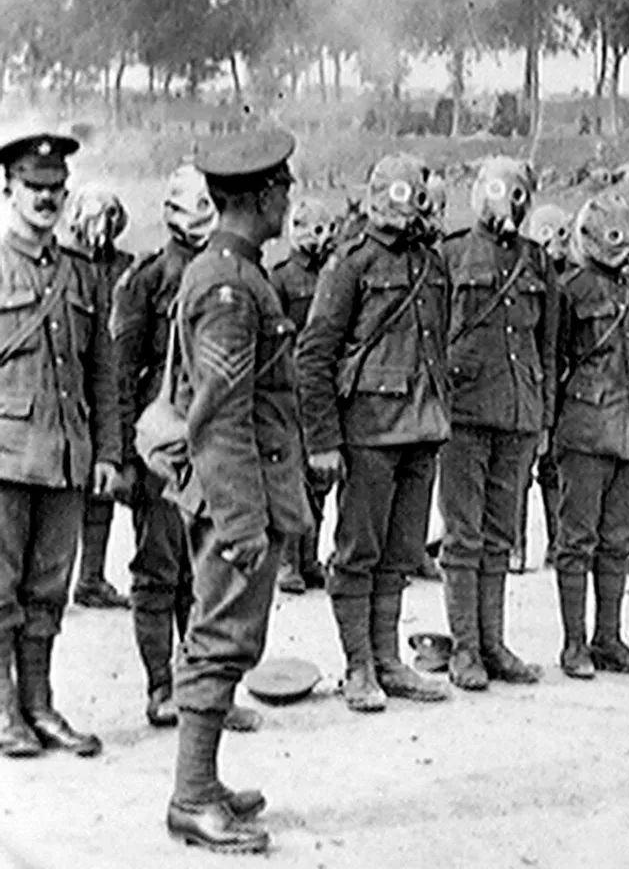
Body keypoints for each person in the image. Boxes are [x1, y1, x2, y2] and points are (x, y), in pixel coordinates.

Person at [163, 129, 312, 853]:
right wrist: (243, 524)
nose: (290, 198)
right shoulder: (227, 285)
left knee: (227, 639)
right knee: (220, 642)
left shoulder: (237, 271)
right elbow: (218, 419)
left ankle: (204, 785)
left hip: (243, 493)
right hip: (235, 498)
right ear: (256, 197)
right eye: (282, 188)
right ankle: (192, 800)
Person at [295, 153, 452, 711]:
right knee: (358, 549)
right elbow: (314, 356)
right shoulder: (350, 264)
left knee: (402, 549)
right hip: (367, 430)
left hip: (421, 427)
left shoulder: (432, 263)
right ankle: (358, 666)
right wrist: (322, 441)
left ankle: (388, 661)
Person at [0, 129, 118, 759]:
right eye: (33, 187)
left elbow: (103, 371)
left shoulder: (80, 275)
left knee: (48, 588)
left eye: (55, 189)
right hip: (6, 457)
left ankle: (40, 705)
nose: (46, 199)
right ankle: (4, 713)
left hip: (68, 456)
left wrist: (107, 452)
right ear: (8, 189)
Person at [114, 167, 233, 729]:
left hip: (212, 445)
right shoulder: (148, 279)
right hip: (162, 446)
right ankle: (161, 685)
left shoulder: (228, 272)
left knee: (203, 572)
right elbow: (119, 375)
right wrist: (122, 459)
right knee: (159, 571)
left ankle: (200, 688)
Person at [435, 158, 551, 690]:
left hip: (518, 412)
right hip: (463, 413)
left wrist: (541, 416)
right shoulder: (451, 254)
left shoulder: (538, 260)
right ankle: (464, 650)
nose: (508, 202)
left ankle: (492, 643)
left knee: (500, 534)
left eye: (519, 193)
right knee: (463, 534)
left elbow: (547, 346)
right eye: (500, 190)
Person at [551, 192, 629, 677]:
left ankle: (607, 639)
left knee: (618, 541)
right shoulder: (569, 290)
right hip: (586, 431)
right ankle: (575, 645)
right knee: (577, 540)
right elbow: (553, 360)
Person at [60, 188, 134, 610]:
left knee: (106, 483)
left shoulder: (127, 267)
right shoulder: (66, 267)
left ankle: (91, 577)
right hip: (77, 381)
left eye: (108, 217)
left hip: (115, 384)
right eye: (93, 218)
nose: (100, 228)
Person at [269, 198, 337, 594]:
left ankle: (310, 558)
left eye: (326, 229)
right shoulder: (280, 279)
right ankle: (287, 562)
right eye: (313, 229)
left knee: (319, 479)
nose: (321, 237)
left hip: (320, 390)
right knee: (290, 477)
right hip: (290, 389)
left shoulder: (332, 275)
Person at [518, 203, 573, 570]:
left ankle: (555, 544)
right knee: (521, 471)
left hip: (557, 382)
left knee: (551, 469)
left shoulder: (566, 283)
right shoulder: (530, 276)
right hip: (531, 380)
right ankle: (518, 544)